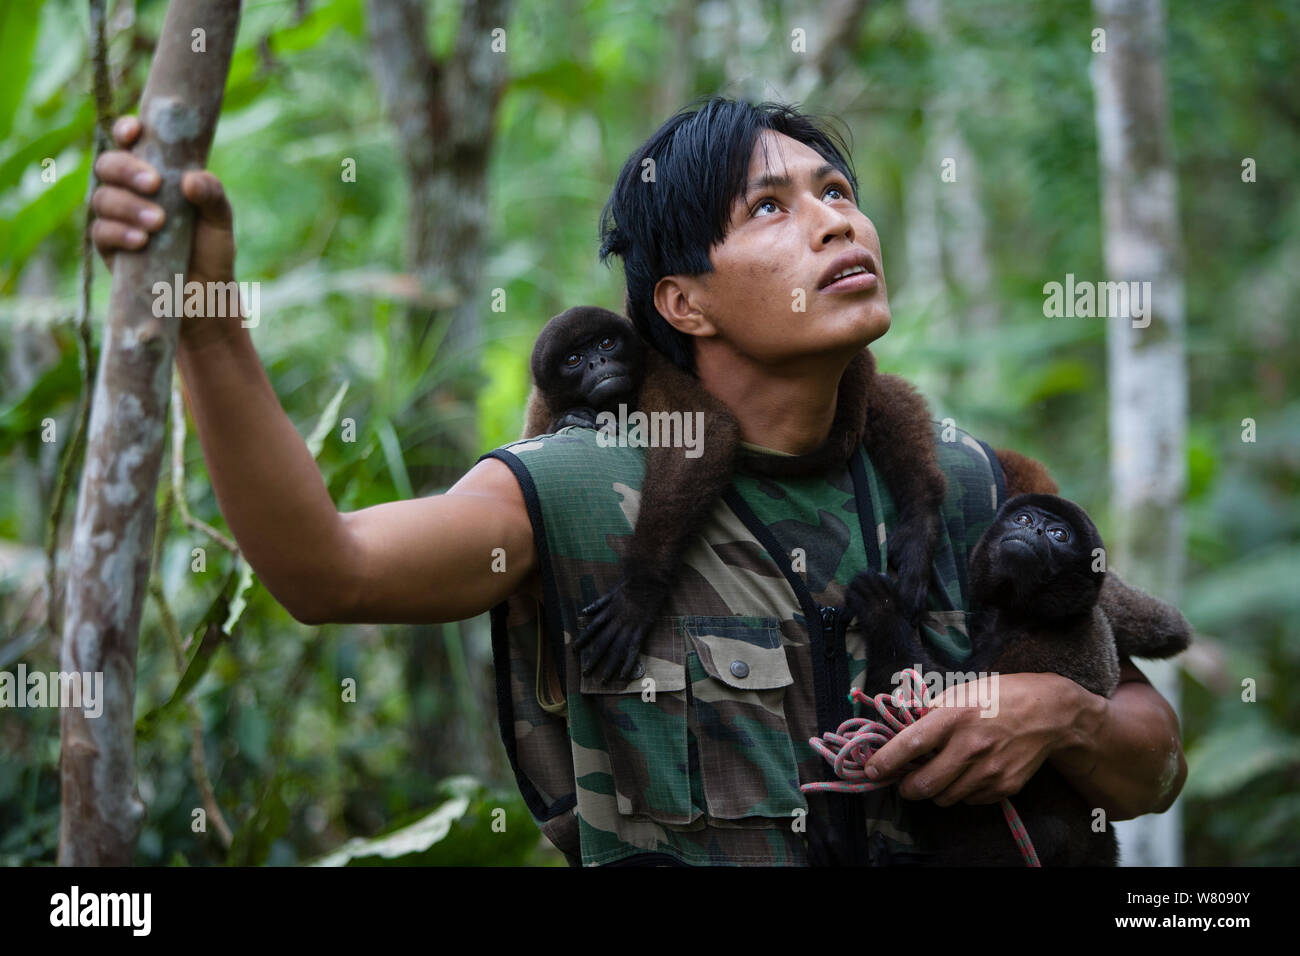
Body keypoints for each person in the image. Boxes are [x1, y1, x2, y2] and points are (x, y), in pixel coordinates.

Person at [91, 96, 1187, 866]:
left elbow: (1154, 765)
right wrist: (204, 321)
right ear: (682, 303)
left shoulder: (962, 483)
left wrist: (1058, 717)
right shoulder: (575, 489)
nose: (835, 218)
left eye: (838, 190)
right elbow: (326, 569)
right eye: (771, 207)